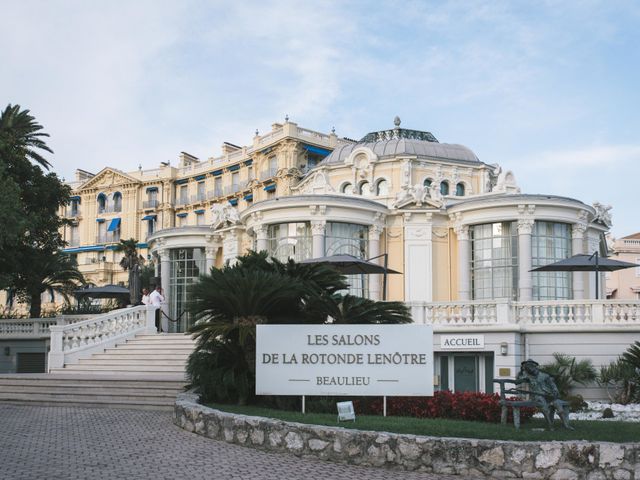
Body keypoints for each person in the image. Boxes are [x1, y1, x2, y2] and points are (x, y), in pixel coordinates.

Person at [516, 359, 573, 430]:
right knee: (543, 405)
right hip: (537, 396)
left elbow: (552, 385)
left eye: (531, 367)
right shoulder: (527, 376)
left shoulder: (544, 375)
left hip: (548, 395)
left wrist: (555, 390)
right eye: (527, 368)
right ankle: (550, 425)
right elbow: (517, 381)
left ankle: (566, 425)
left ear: (535, 367)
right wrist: (521, 371)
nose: (530, 369)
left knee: (557, 404)